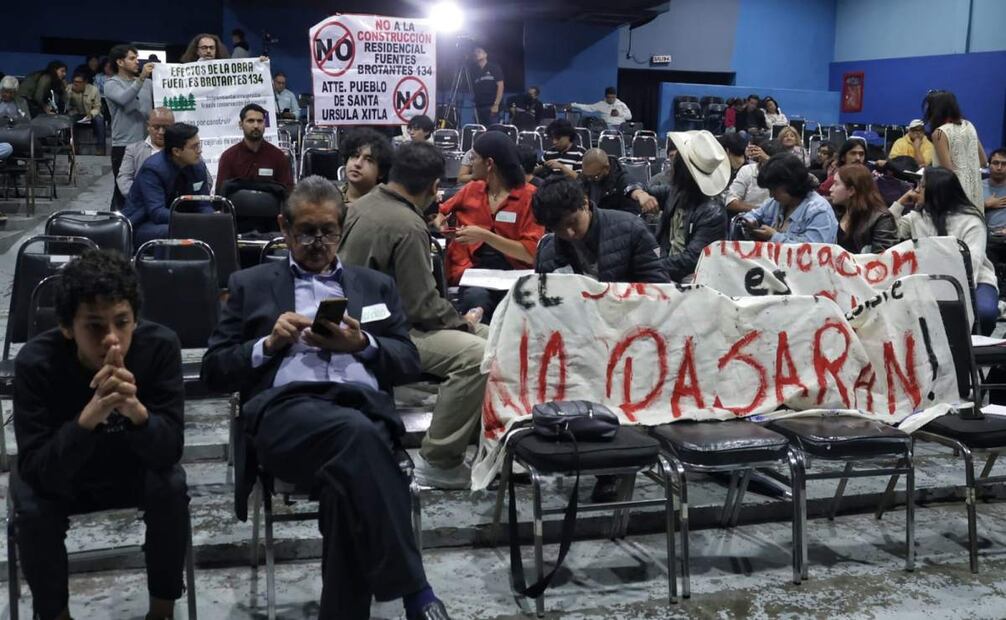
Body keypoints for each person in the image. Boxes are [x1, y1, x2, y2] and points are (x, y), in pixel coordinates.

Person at [201, 176, 451, 620]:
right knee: (357, 438)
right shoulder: (249, 285)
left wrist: (362, 345)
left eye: (328, 232)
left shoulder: (374, 285)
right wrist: (268, 345)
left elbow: (409, 361)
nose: (318, 244)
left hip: (363, 411)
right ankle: (416, 591)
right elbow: (213, 371)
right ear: (284, 227)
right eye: (306, 233)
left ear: (343, 226)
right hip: (287, 415)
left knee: (345, 490)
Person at [13, 249, 189, 620]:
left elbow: (170, 450)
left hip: (131, 467)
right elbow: (36, 469)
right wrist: (89, 418)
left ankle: (162, 612)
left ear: (135, 319)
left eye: (122, 323)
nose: (112, 340)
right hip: (65, 475)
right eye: (94, 326)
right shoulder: (35, 362)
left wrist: (136, 412)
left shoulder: (160, 347)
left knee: (171, 487)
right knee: (32, 508)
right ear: (67, 328)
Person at [339, 142, 488, 490]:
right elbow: (422, 306)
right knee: (478, 355)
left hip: (361, 320)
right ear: (434, 186)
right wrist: (462, 323)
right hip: (384, 333)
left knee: (491, 337)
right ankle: (440, 461)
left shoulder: (362, 204)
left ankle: (476, 438)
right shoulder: (407, 225)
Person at [434, 132, 542, 320]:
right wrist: (441, 224)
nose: (470, 163)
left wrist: (484, 236)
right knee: (476, 298)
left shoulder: (530, 197)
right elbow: (439, 212)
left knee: (517, 305)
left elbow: (530, 253)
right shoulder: (472, 189)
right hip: (472, 272)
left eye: (474, 158)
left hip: (515, 274)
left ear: (489, 163)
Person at [890, 166, 997, 334]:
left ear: (936, 191)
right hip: (927, 278)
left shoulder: (971, 221)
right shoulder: (918, 217)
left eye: (921, 186)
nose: (916, 190)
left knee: (984, 313)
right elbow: (890, 231)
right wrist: (900, 202)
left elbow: (972, 265)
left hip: (974, 281)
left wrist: (950, 294)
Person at [533, 175, 667, 282]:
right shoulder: (547, 251)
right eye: (559, 229)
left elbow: (659, 285)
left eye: (573, 222)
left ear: (585, 203)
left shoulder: (632, 229)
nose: (569, 233)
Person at [648, 130, 729, 282]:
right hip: (665, 263)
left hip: (692, 277)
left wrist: (649, 266)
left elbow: (692, 259)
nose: (670, 167)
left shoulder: (712, 212)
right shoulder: (676, 192)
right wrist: (638, 193)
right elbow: (643, 190)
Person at [122, 123, 212, 248]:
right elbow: (157, 212)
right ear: (176, 151)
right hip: (143, 223)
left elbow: (204, 204)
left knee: (217, 224)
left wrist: (211, 218)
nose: (199, 151)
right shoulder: (153, 169)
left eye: (199, 145)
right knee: (174, 231)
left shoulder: (198, 166)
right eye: (194, 147)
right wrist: (192, 220)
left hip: (181, 220)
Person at [741, 153, 838, 243]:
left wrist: (773, 236)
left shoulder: (818, 211)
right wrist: (750, 222)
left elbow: (813, 251)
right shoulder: (776, 202)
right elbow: (753, 214)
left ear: (791, 184)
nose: (771, 195)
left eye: (774, 190)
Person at [105, 44, 155, 210]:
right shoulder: (111, 84)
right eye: (132, 58)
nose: (137, 62)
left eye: (137, 58)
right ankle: (118, 222)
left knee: (147, 187)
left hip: (146, 143)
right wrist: (141, 78)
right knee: (122, 191)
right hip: (123, 144)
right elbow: (124, 99)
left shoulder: (148, 84)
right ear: (120, 62)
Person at [925, 90, 987, 213]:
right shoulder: (969, 125)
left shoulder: (939, 132)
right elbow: (983, 161)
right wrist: (966, 171)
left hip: (953, 197)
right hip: (974, 193)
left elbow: (947, 174)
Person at [215, 103, 294, 194]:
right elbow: (220, 195)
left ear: (265, 124)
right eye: (250, 121)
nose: (256, 125)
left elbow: (288, 194)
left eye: (260, 121)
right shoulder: (228, 157)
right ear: (241, 124)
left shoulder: (278, 157)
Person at [829, 163, 898, 253]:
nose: (830, 189)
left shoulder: (882, 219)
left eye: (836, 184)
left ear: (851, 191)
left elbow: (882, 258)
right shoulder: (834, 210)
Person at [117, 108, 175, 198]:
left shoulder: (182, 149)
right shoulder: (133, 150)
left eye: (166, 128)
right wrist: (138, 196)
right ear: (148, 126)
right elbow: (124, 178)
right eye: (156, 127)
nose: (161, 132)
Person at [724, 139, 783, 214]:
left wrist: (769, 161)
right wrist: (761, 211)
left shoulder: (783, 175)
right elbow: (731, 202)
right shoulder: (747, 170)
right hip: (748, 215)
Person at [579, 148, 644, 215]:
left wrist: (640, 194)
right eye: (587, 176)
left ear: (607, 168)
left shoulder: (620, 177)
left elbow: (630, 186)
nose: (590, 180)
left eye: (595, 177)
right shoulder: (587, 177)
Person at [339, 127, 394, 204]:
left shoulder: (387, 205)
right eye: (355, 156)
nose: (358, 164)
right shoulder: (330, 197)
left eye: (368, 160)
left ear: (381, 172)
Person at [66, 71, 106, 155]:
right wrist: (69, 94)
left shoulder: (93, 90)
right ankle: (74, 147)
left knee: (99, 120)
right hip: (77, 114)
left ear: (85, 82)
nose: (76, 84)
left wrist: (91, 114)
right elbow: (66, 106)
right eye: (74, 82)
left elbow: (97, 107)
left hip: (91, 114)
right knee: (69, 120)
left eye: (79, 82)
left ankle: (101, 148)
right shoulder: (69, 89)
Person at [469, 45, 503, 125]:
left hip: (492, 106)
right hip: (479, 107)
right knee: (480, 130)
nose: (477, 54)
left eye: (479, 52)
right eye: (475, 52)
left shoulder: (494, 68)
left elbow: (500, 86)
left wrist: (496, 104)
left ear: (485, 55)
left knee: (493, 129)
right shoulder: (474, 71)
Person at [984, 148, 1006, 230]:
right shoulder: (977, 187)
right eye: (996, 163)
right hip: (980, 234)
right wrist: (985, 205)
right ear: (989, 165)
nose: (999, 168)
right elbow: (965, 212)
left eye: (1004, 164)